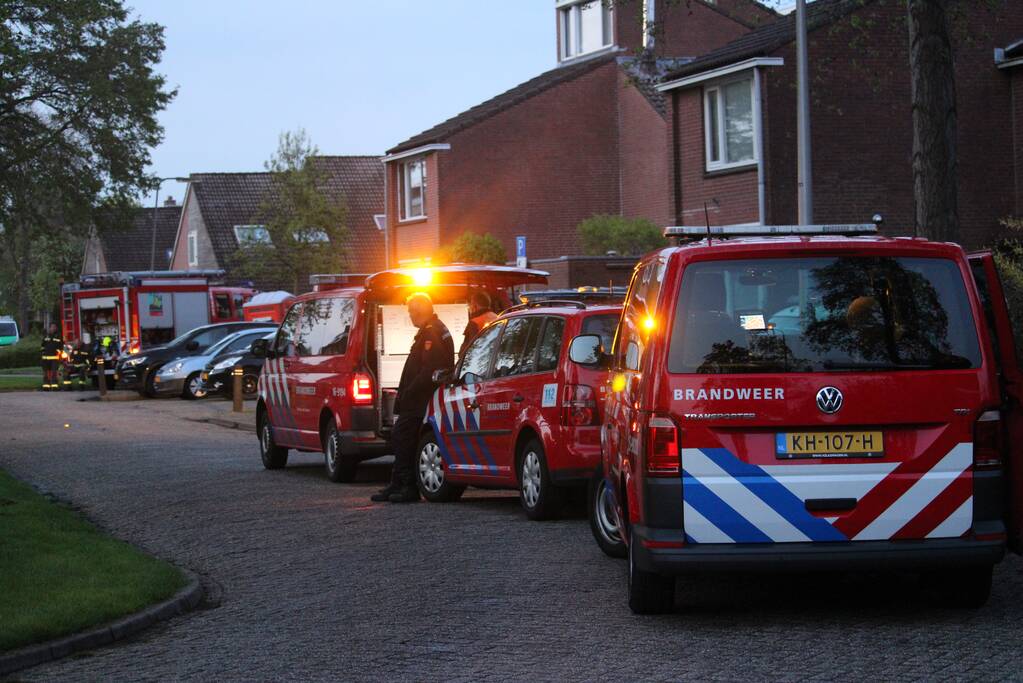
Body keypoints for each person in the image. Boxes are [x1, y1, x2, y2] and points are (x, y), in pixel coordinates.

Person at [372, 292, 454, 503]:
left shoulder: (432, 333)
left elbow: (428, 370)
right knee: (402, 438)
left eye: (411, 312)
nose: (409, 316)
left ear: (420, 311)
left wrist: (409, 391)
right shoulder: (433, 330)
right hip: (418, 399)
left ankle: (407, 486)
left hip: (420, 400)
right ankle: (397, 483)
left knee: (403, 438)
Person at [459, 289, 498, 357]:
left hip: (482, 360)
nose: (469, 308)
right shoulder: (497, 317)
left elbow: (468, 350)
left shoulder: (474, 323)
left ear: (475, 306)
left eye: (470, 305)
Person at [40, 323, 62, 391]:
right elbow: (42, 346)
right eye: (52, 327)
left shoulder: (58, 337)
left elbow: (60, 347)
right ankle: (46, 386)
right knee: (46, 373)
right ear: (49, 328)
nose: (54, 328)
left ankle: (54, 386)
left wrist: (58, 353)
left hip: (54, 358)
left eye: (55, 327)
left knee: (54, 373)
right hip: (45, 358)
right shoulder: (46, 336)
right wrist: (43, 353)